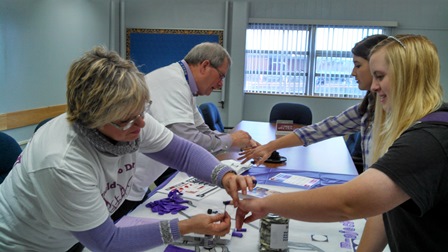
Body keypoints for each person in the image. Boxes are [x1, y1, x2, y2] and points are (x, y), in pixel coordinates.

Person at [0, 46, 256, 251]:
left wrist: (225, 175)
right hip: (24, 244)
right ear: (94, 119)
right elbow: (107, 242)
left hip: (67, 235)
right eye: (128, 119)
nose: (142, 124)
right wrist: (185, 226)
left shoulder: (129, 117)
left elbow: (183, 152)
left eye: (141, 112)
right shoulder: (62, 162)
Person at [234, 35, 448, 251]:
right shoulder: (415, 128)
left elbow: (348, 203)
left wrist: (267, 202)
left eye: (380, 76)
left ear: (409, 77)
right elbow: (383, 210)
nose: (374, 87)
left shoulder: (426, 141)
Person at [114, 42, 258, 219]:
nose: (220, 84)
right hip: (123, 185)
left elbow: (202, 131)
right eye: (221, 76)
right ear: (205, 65)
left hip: (136, 182)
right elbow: (189, 143)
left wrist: (237, 141)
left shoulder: (183, 83)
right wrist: (231, 141)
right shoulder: (172, 83)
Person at [239, 34, 388, 173]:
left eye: (358, 65)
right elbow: (323, 129)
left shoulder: (395, 114)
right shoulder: (369, 107)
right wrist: (270, 146)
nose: (352, 72)